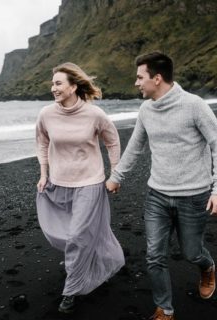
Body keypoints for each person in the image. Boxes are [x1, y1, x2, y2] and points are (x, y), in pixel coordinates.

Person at [107, 51, 217, 320]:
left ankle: (207, 267)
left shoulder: (194, 106)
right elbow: (135, 147)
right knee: (155, 255)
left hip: (194, 196)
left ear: (157, 78)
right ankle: (165, 310)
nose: (136, 83)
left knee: (191, 253)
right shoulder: (146, 110)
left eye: (139, 77)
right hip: (157, 195)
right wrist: (116, 176)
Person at [36, 62, 125, 313]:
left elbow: (113, 141)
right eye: (52, 83)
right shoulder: (46, 114)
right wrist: (44, 174)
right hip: (58, 183)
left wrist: (115, 173)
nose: (53, 88)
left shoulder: (94, 115)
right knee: (67, 234)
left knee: (76, 236)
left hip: (90, 183)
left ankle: (71, 290)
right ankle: (108, 259)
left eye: (58, 83)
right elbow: (41, 144)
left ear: (73, 86)